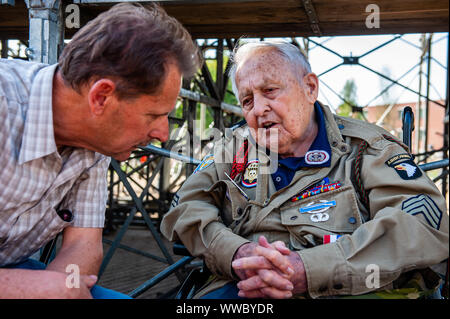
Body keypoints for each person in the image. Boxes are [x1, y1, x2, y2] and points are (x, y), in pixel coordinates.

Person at [160, 40, 448, 299]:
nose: (259, 109)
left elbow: (421, 225)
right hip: (243, 287)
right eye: (247, 100)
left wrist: (306, 270)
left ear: (310, 87)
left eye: (270, 91)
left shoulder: (367, 148)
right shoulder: (232, 148)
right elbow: (184, 206)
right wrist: (237, 253)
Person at [0, 2, 200, 299]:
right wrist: (35, 289)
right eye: (154, 115)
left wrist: (62, 288)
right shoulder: (5, 106)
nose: (163, 134)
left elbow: (83, 244)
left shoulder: (95, 145)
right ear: (101, 97)